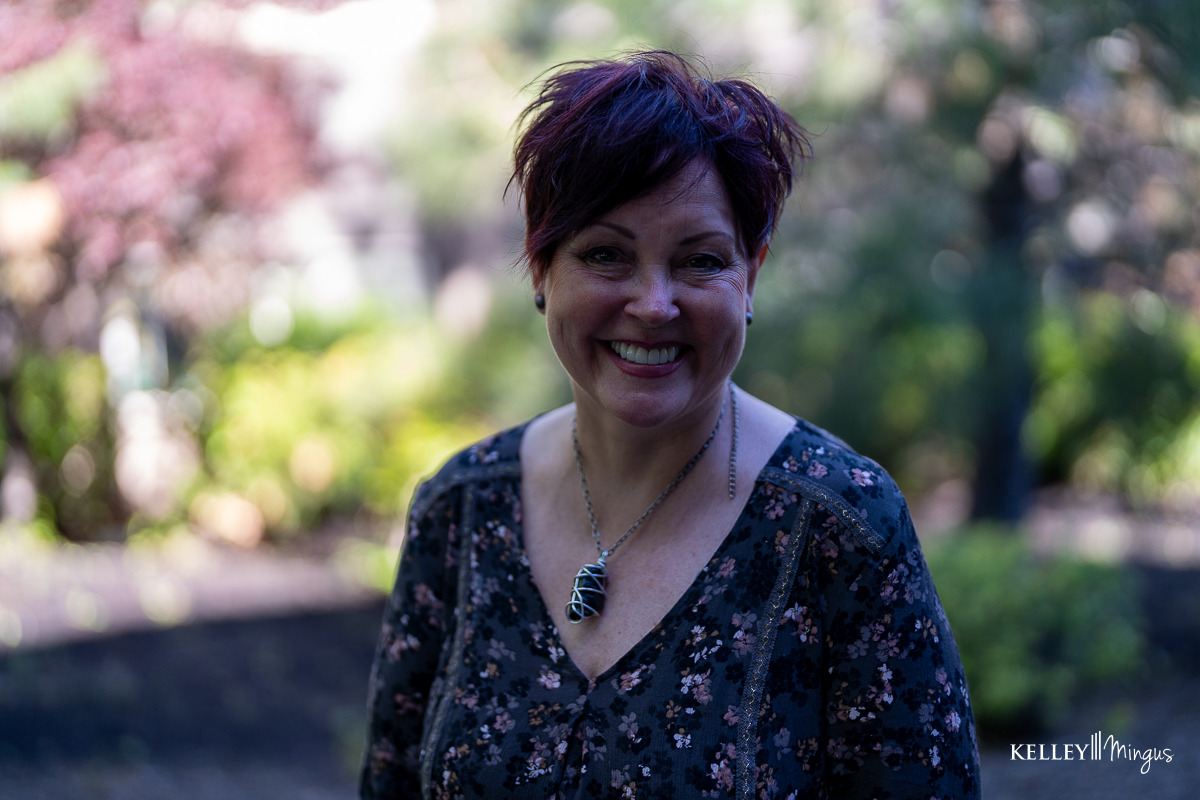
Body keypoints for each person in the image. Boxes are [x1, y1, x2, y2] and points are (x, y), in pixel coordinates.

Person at [360, 50, 980, 799]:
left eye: (699, 261)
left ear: (750, 273)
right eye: (606, 255)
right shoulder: (461, 510)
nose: (653, 304)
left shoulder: (840, 526)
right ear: (539, 268)